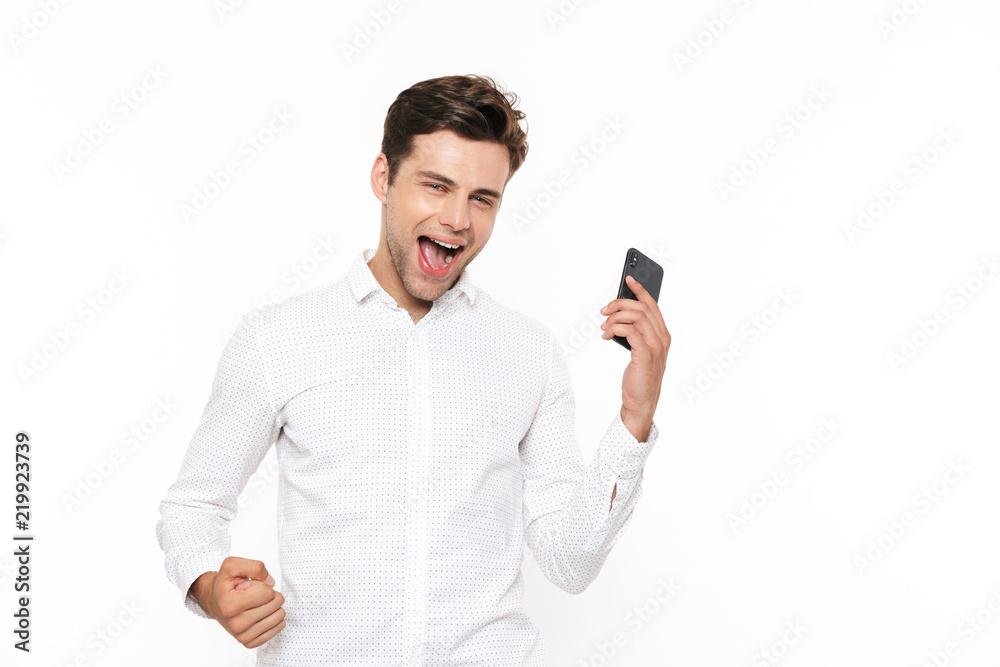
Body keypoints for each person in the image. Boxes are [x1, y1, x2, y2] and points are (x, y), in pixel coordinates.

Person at [155, 73, 671, 666]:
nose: (457, 219)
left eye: (483, 198)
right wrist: (209, 586)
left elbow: (571, 561)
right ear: (383, 177)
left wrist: (635, 417)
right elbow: (194, 507)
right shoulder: (279, 340)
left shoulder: (529, 353)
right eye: (436, 185)